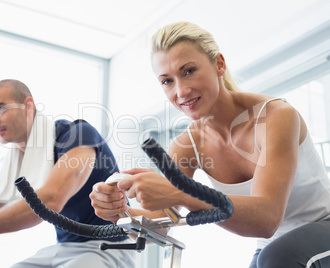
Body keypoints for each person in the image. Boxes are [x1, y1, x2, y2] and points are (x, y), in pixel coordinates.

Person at [89, 21, 330, 267]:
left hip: (322, 224)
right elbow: (160, 226)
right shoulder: (186, 146)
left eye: (189, 71)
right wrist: (120, 213)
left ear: (219, 64)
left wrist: (180, 193)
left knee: (276, 258)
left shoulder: (275, 117)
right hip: (272, 246)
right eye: (167, 81)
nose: (181, 91)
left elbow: (267, 219)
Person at [0, 79, 135, 268]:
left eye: (0, 109)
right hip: (64, 248)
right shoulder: (18, 159)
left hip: (109, 247)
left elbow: (50, 201)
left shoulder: (77, 134)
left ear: (28, 106)